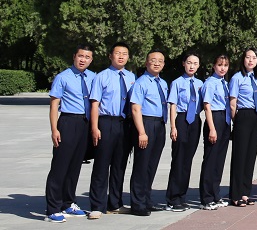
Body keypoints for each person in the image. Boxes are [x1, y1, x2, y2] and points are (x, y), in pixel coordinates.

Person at [45, 44, 95, 223]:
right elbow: (54, 105)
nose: (83, 60)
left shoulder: (93, 77)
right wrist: (54, 129)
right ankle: (52, 208)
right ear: (74, 56)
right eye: (80, 56)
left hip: (85, 123)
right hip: (68, 121)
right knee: (60, 165)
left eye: (87, 57)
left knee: (75, 166)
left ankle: (68, 202)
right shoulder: (63, 77)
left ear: (91, 60)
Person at [87, 42, 134, 219]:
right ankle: (97, 205)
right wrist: (94, 127)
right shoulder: (102, 76)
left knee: (119, 165)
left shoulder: (131, 77)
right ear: (110, 56)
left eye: (124, 53)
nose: (121, 56)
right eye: (118, 53)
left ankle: (115, 203)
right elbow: (95, 104)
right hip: (106, 122)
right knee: (101, 164)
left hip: (125, 123)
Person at [129, 50, 168, 217]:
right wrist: (141, 132)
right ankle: (137, 203)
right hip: (146, 123)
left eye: (160, 61)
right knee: (141, 165)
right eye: (153, 60)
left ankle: (146, 199)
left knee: (151, 165)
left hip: (159, 124)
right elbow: (135, 108)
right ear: (146, 63)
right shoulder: (141, 82)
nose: (157, 63)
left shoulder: (163, 83)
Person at [164, 52, 203, 212]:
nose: (192, 66)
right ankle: (172, 198)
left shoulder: (200, 84)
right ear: (183, 63)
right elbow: (172, 105)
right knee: (178, 159)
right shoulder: (177, 83)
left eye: (195, 63)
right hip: (181, 119)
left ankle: (182, 195)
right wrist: (173, 127)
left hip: (195, 121)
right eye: (189, 62)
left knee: (188, 160)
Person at [229, 48, 257, 207]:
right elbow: (232, 102)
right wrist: (236, 121)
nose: (251, 60)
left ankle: (245, 192)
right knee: (240, 156)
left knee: (250, 156)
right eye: (248, 57)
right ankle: (235, 194)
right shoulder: (237, 78)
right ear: (243, 59)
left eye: (254, 58)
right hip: (243, 115)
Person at [198, 54, 231, 210]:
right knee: (210, 160)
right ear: (213, 66)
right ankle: (206, 198)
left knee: (219, 160)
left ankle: (216, 194)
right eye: (219, 65)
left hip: (225, 119)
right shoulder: (210, 83)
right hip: (215, 119)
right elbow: (207, 106)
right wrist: (212, 128)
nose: (222, 68)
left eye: (225, 65)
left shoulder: (225, 83)